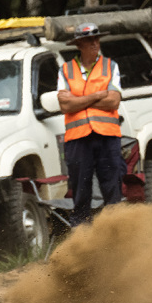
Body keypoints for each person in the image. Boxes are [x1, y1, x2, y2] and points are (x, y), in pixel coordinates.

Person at [57, 22, 123, 225]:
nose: (94, 43)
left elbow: (113, 100)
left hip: (107, 137)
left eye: (96, 38)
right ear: (79, 44)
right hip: (78, 140)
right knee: (81, 194)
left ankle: (117, 238)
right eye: (88, 40)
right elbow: (65, 105)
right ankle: (83, 243)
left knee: (112, 191)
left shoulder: (110, 66)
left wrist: (79, 98)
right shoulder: (65, 70)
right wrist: (97, 94)